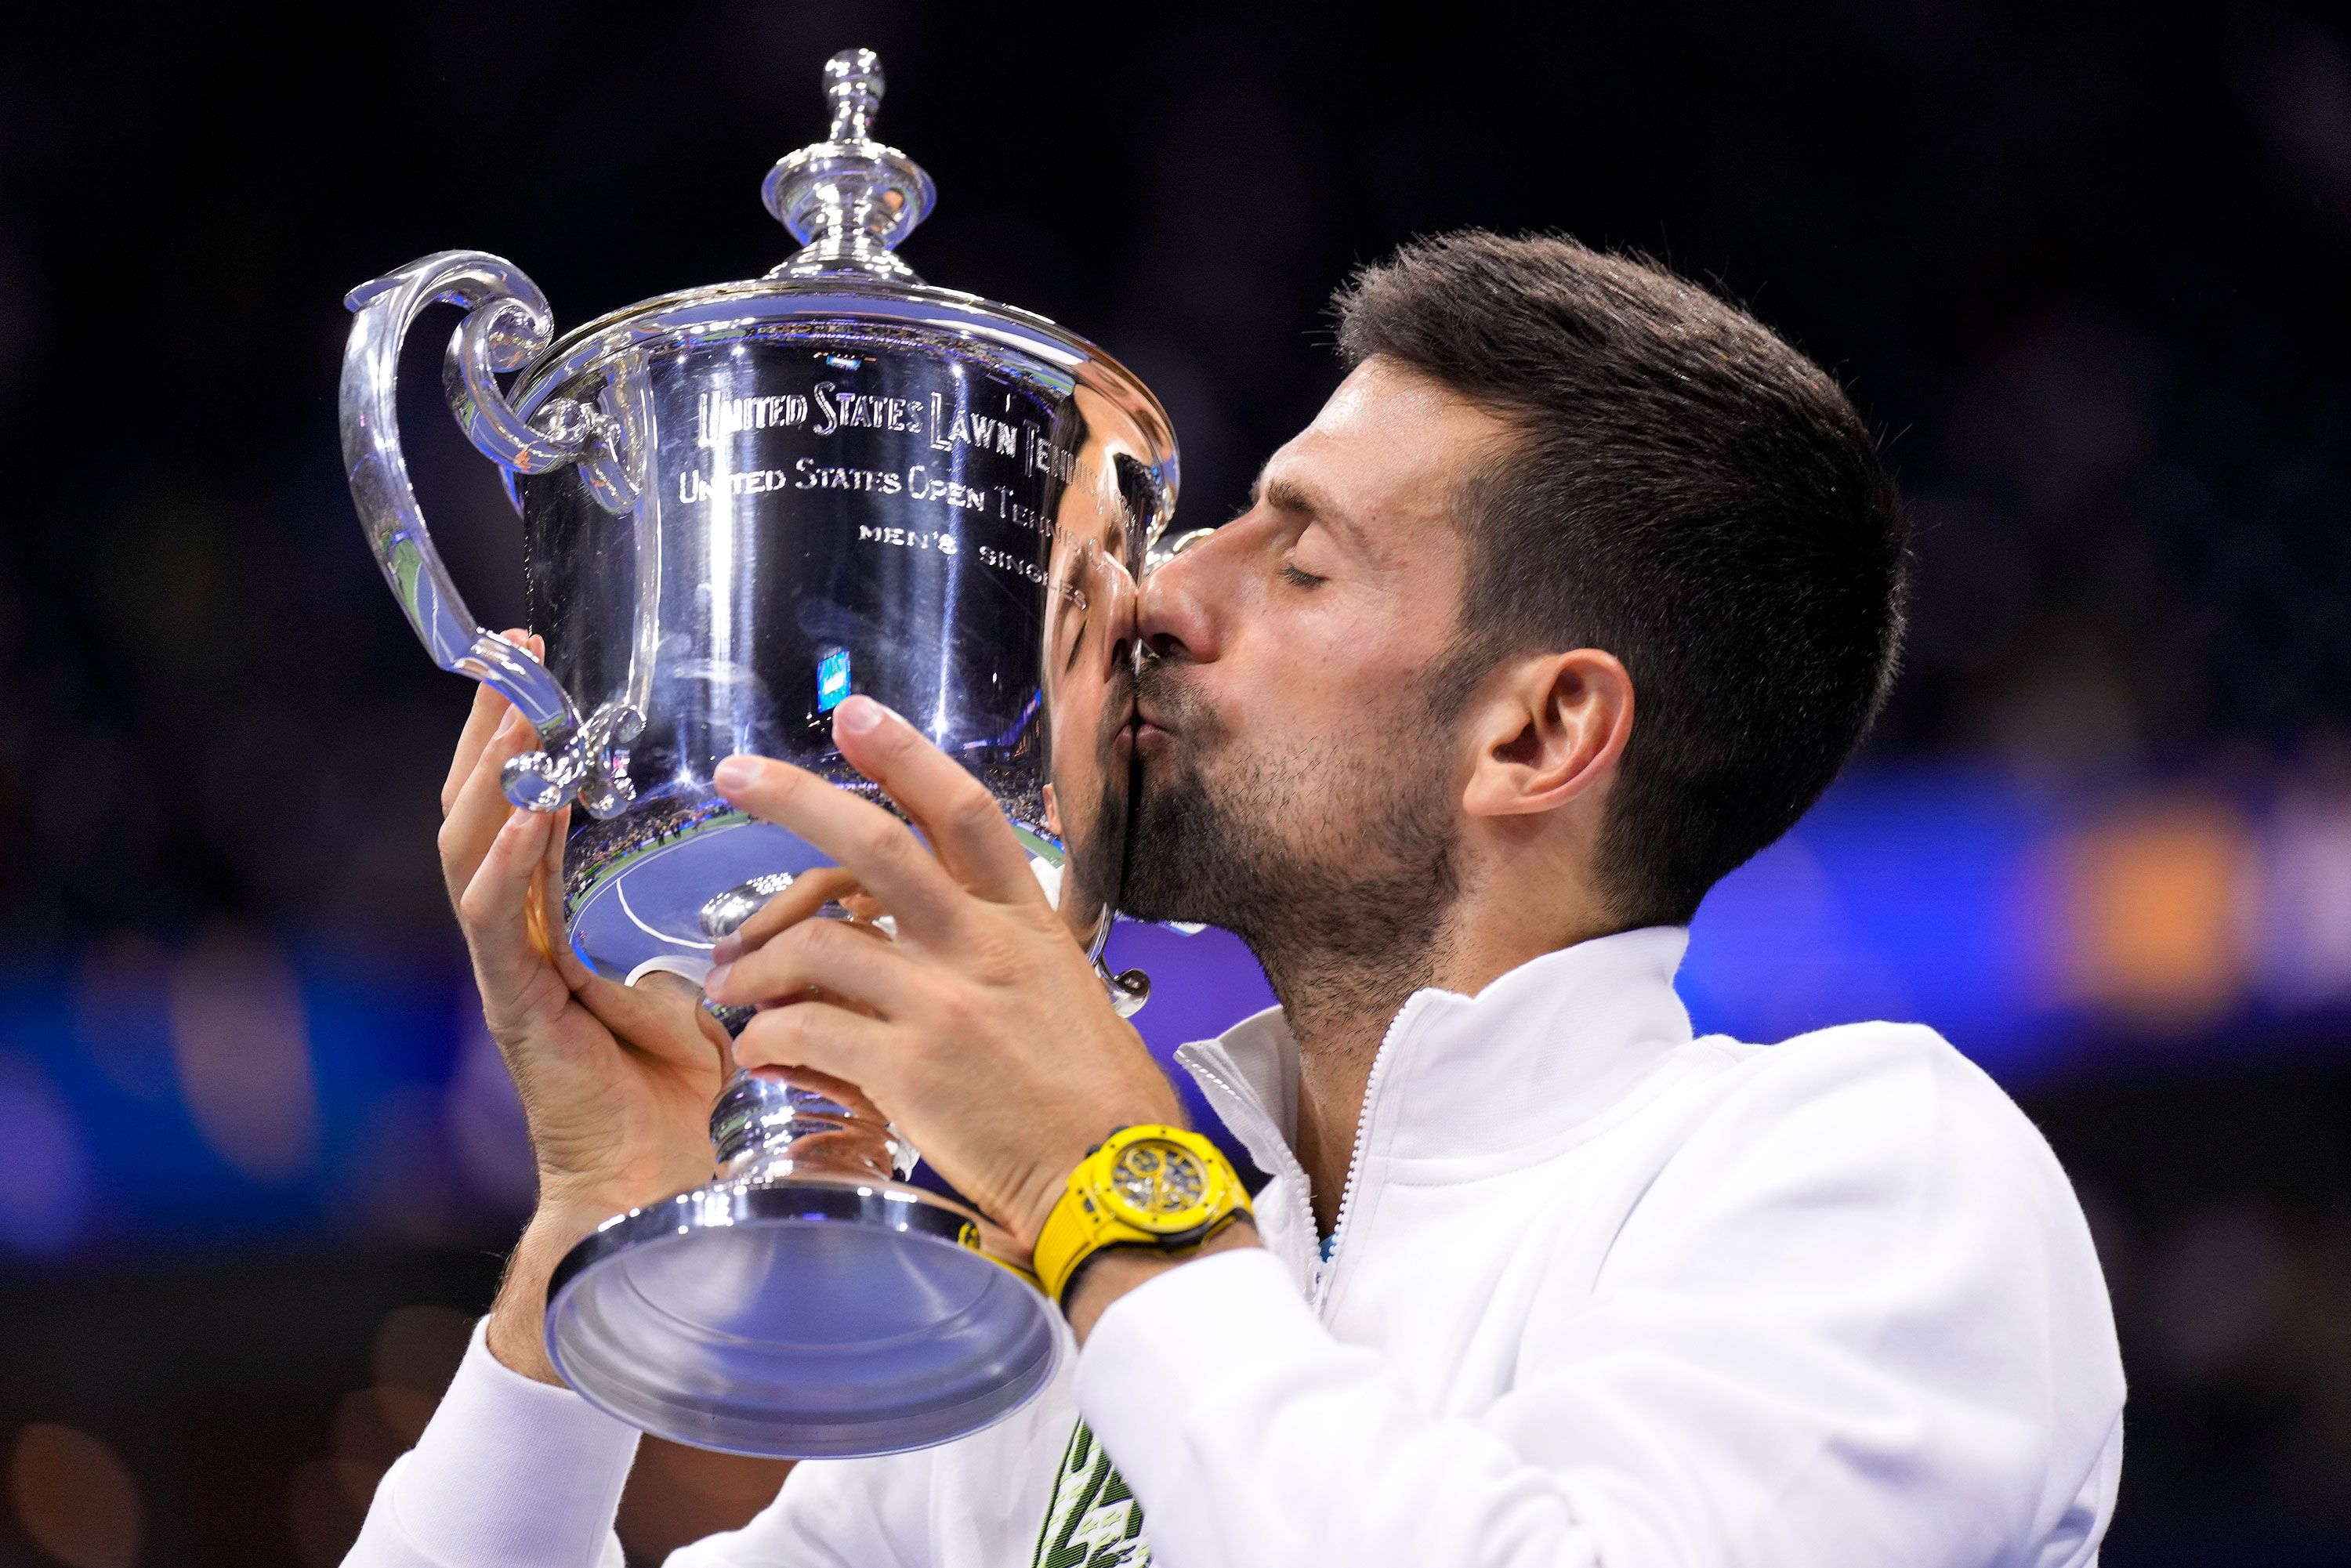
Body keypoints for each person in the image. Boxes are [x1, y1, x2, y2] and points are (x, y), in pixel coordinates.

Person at [346, 232, 2124, 1568]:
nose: (1157, 599)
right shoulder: (1051, 1336)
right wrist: (601, 1214)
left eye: (1300, 553)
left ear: (1541, 728)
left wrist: (1097, 1173)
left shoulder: (1873, 1174)